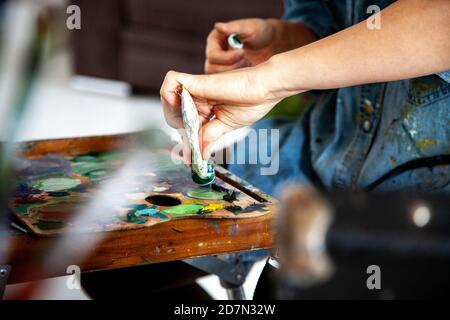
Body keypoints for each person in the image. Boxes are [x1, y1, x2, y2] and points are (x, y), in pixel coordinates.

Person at [160, 0, 450, 298]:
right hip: (315, 164)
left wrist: (274, 78)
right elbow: (333, 22)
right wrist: (284, 40)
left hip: (423, 223)